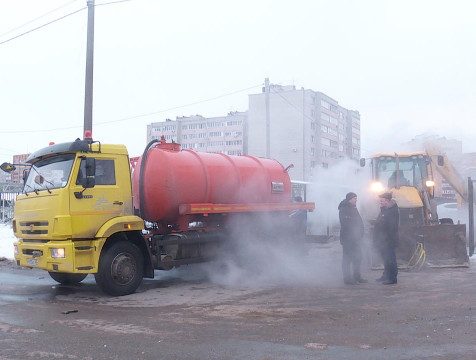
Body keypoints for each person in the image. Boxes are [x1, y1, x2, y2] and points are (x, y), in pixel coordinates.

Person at [338, 192, 366, 285]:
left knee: (358, 257)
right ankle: (347, 279)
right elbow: (346, 224)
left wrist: (360, 232)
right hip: (348, 239)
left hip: (356, 238)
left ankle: (357, 276)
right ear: (349, 199)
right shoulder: (344, 209)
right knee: (347, 259)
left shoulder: (353, 207)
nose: (356, 200)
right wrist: (353, 233)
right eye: (354, 198)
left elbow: (358, 221)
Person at [373, 192, 399, 285]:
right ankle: (386, 275)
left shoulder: (391, 211)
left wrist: (386, 239)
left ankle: (392, 278)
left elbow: (391, 227)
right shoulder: (384, 210)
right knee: (385, 259)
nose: (380, 202)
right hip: (383, 240)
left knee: (390, 259)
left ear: (387, 201)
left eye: (382, 200)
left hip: (388, 241)